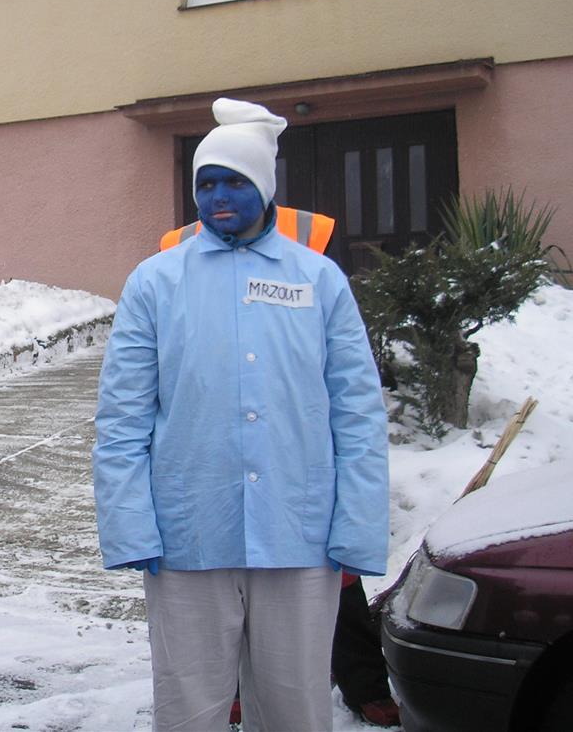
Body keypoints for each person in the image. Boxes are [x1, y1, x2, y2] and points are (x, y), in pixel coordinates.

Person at [93, 97, 389, 731]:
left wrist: (358, 526)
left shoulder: (318, 280)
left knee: (295, 707)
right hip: (189, 534)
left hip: (298, 534)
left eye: (234, 182)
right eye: (206, 184)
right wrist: (130, 525)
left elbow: (358, 413)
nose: (218, 197)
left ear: (264, 185)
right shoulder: (156, 282)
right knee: (188, 706)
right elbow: (122, 418)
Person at [157, 206, 399, 729]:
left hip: (294, 452)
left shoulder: (314, 234)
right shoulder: (177, 244)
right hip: (216, 446)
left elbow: (342, 361)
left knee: (333, 593)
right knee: (216, 604)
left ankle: (363, 683)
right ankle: (234, 690)